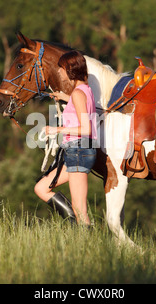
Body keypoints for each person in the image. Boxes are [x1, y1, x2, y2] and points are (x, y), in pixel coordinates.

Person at [34, 50, 97, 225]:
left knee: (80, 210)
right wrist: (65, 97)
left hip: (78, 151)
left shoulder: (78, 94)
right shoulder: (84, 90)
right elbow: (80, 102)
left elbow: (86, 128)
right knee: (41, 188)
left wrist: (57, 130)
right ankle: (74, 226)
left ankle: (86, 243)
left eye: (61, 68)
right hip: (76, 151)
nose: (59, 72)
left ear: (69, 70)